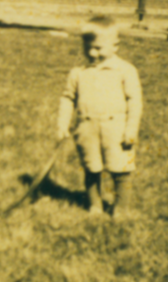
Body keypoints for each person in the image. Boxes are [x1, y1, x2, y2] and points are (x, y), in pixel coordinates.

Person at [56, 15, 143, 218]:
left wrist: (131, 129)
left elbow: (134, 101)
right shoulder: (78, 73)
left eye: (98, 48)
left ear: (115, 46)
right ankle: (95, 205)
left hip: (117, 129)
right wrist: (62, 123)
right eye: (88, 47)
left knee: (121, 168)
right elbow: (67, 98)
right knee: (91, 167)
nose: (92, 53)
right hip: (87, 128)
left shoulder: (125, 71)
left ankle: (121, 208)